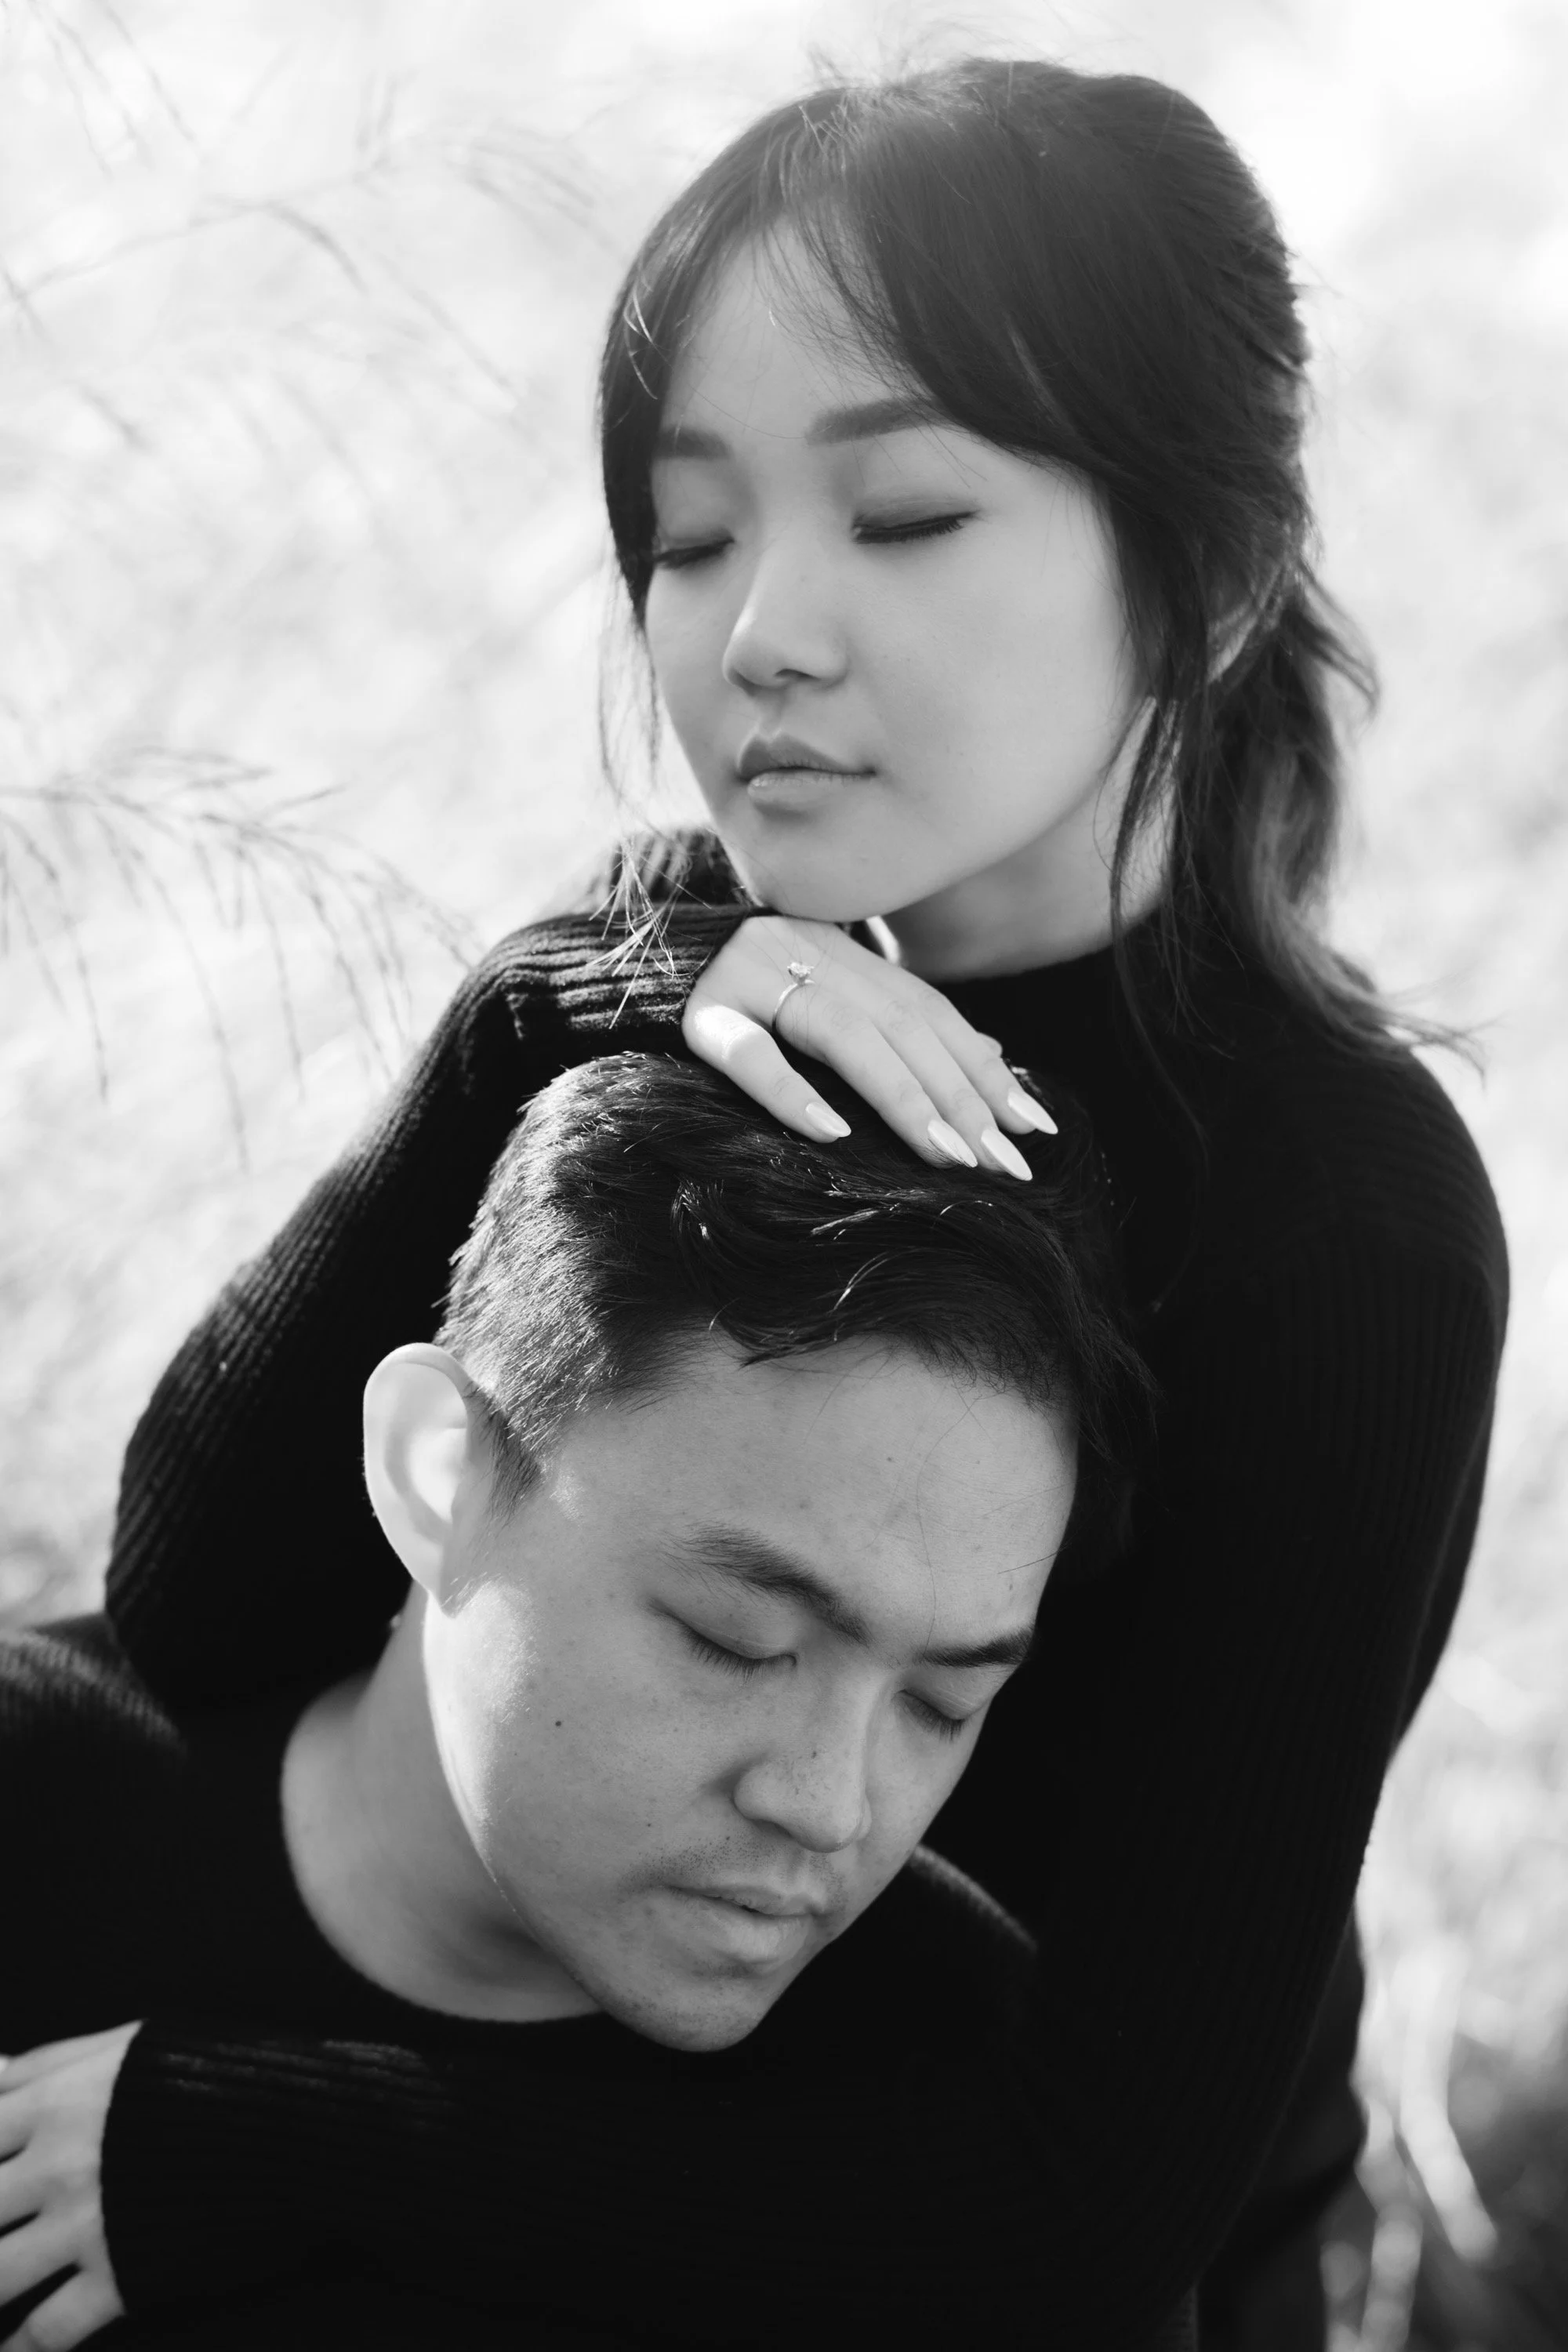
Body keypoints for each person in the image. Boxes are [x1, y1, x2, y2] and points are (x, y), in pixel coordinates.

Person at [22, 50, 1507, 2352]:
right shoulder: (683, 978)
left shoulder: (1342, 1232)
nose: (756, 636)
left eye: (901, 516)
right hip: (522, 2090)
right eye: (692, 534)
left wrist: (263, 2142)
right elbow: (207, 1614)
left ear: (1208, 577)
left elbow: (1078, 2209)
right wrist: (536, 1007)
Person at [0, 1051, 1177, 2349]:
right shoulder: (33, 1805)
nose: (831, 1809)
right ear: (441, 1475)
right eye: (737, 1640)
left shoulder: (996, 2147)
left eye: (942, 1703)